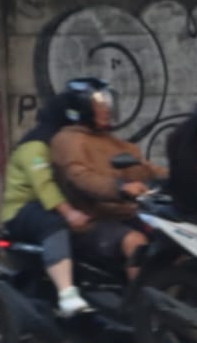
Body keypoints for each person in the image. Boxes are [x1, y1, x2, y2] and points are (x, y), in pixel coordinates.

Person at [48, 78, 163, 282]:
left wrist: (173, 176)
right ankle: (142, 309)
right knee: (137, 244)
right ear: (82, 108)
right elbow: (82, 178)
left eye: (107, 102)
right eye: (100, 103)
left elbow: (142, 167)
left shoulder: (110, 140)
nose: (107, 108)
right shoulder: (68, 140)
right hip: (93, 220)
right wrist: (120, 188)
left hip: (126, 214)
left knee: (170, 242)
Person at [0, 89, 94, 317]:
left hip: (46, 206)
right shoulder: (35, 146)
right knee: (53, 224)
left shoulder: (62, 146)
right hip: (22, 211)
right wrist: (69, 213)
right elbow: (45, 187)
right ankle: (67, 295)